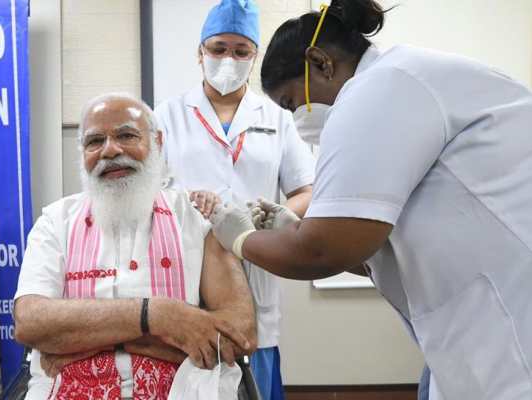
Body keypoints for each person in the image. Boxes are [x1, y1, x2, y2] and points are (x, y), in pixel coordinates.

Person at [208, 0, 532, 399]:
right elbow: (376, 247)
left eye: (293, 103)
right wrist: (293, 229)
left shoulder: (380, 88)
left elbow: (321, 252)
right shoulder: (401, 81)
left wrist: (240, 239)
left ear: (320, 63)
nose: (298, 119)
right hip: (478, 326)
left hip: (510, 329)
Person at [13, 93, 257, 400]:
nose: (110, 150)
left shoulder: (196, 218)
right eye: (94, 141)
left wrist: (85, 339)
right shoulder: (54, 222)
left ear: (157, 142)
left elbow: (239, 334)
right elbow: (30, 323)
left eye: (126, 135)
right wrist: (157, 315)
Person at [154, 1, 316, 398]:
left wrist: (265, 215)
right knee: (191, 374)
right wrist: (185, 203)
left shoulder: (277, 117)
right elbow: (150, 194)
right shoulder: (167, 116)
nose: (229, 59)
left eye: (241, 51)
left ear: (254, 56)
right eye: (219, 48)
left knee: (255, 376)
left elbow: (307, 191)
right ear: (200, 52)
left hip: (256, 263)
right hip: (187, 266)